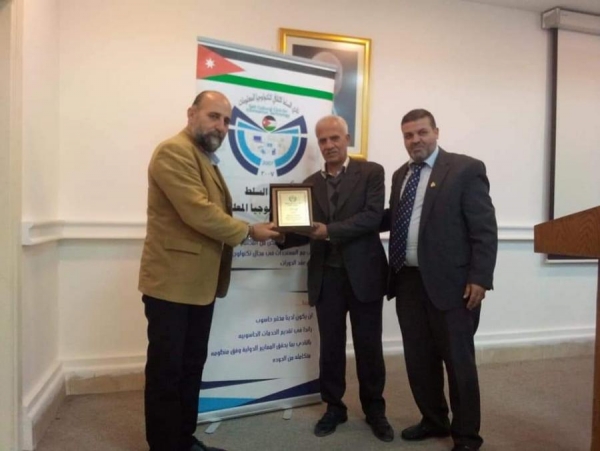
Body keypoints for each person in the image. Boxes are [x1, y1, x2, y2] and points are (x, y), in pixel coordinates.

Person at [138, 90, 280, 451]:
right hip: (171, 285)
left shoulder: (202, 156)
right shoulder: (173, 151)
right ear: (191, 113)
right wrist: (249, 231)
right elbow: (198, 212)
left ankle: (183, 439)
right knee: (168, 371)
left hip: (198, 285)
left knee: (191, 366)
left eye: (226, 120)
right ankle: (164, 446)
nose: (221, 126)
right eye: (214, 116)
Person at [383, 109, 497, 451]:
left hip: (453, 285)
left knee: (459, 364)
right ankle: (434, 420)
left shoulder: (465, 169)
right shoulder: (400, 175)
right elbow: (396, 218)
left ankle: (467, 436)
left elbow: (484, 229)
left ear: (436, 132)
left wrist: (480, 278)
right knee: (419, 360)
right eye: (408, 135)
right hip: (407, 281)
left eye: (422, 132)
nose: (415, 140)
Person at [277, 115, 394, 442]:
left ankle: (375, 409)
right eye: (323, 140)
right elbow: (304, 230)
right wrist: (280, 233)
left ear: (347, 138)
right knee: (330, 347)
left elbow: (371, 218)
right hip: (326, 277)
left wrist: (329, 230)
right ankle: (334, 407)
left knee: (369, 347)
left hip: (365, 275)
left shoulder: (371, 172)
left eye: (334, 138)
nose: (329, 145)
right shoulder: (308, 184)